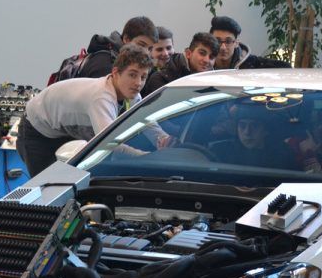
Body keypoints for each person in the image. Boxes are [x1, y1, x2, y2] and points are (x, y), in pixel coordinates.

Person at [17, 45, 154, 177]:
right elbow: (110, 144)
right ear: (116, 73)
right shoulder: (101, 98)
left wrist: (163, 138)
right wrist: (146, 157)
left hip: (65, 129)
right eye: (132, 75)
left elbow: (146, 120)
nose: (138, 83)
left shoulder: (132, 94)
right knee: (46, 190)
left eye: (143, 77)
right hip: (37, 129)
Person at [210, 103, 295, 169]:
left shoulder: (282, 155)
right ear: (237, 129)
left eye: (254, 126)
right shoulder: (221, 152)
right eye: (242, 126)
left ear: (265, 130)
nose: (247, 132)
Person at [78, 16, 158, 79]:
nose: (146, 52)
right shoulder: (106, 64)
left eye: (150, 49)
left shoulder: (122, 60)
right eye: (141, 45)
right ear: (126, 39)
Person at [141, 32, 219, 96]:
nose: (206, 60)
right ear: (188, 53)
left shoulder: (217, 82)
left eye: (211, 57)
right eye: (202, 53)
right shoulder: (160, 78)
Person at [209, 16, 291, 70]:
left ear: (236, 43)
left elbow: (287, 68)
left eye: (228, 41)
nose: (223, 47)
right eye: (218, 41)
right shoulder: (203, 64)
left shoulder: (253, 64)